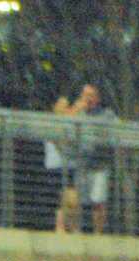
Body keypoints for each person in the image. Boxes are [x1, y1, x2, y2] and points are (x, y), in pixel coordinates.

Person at [51, 85, 110, 235]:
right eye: (85, 95)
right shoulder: (76, 113)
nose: (87, 98)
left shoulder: (106, 114)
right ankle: (70, 229)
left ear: (97, 98)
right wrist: (74, 110)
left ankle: (97, 234)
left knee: (98, 200)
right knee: (73, 200)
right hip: (76, 164)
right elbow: (62, 126)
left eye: (91, 95)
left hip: (97, 164)